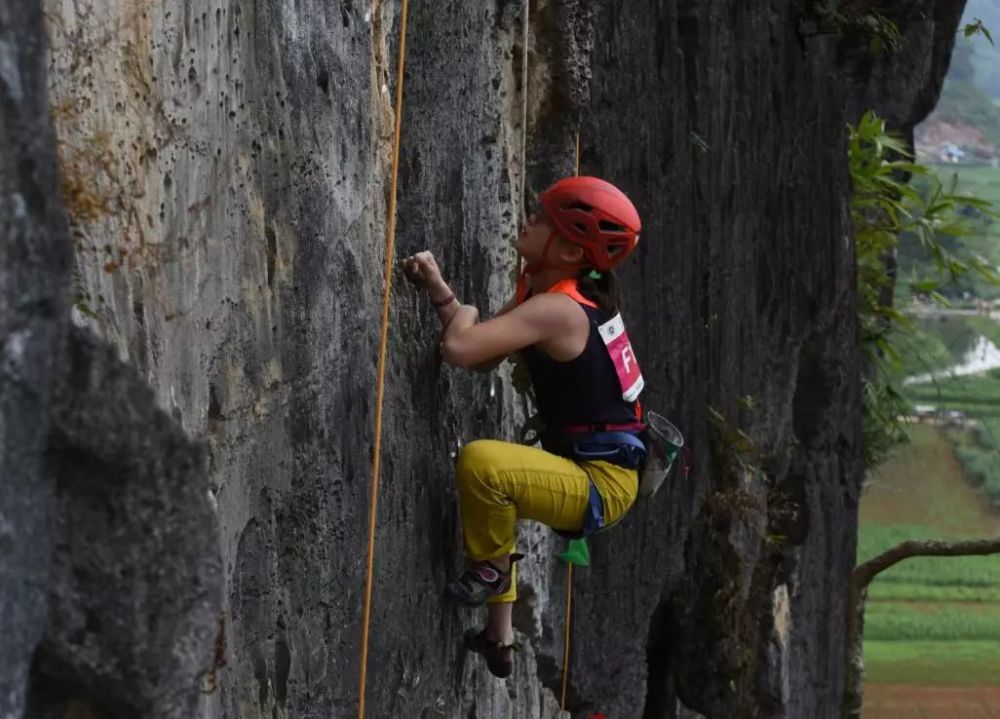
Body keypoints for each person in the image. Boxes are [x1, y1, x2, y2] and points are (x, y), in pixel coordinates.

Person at [403, 176, 646, 679]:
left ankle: (490, 573)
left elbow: (460, 348)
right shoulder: (556, 292)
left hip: (603, 482)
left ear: (570, 250)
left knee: (483, 465)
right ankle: (500, 636)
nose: (528, 220)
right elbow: (483, 356)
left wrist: (463, 312)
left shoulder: (559, 310)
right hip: (596, 465)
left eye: (544, 220)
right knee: (498, 489)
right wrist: (441, 291)